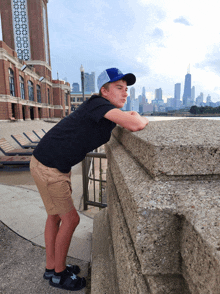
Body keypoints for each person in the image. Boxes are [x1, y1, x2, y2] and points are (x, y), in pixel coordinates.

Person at [30, 67, 149, 291]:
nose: (125, 93)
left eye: (126, 89)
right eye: (118, 88)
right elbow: (135, 124)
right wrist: (137, 116)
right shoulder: (98, 104)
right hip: (50, 167)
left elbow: (126, 119)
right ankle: (59, 275)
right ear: (104, 91)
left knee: (54, 216)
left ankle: (51, 267)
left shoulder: (103, 110)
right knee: (71, 219)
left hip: (47, 161)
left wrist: (130, 114)